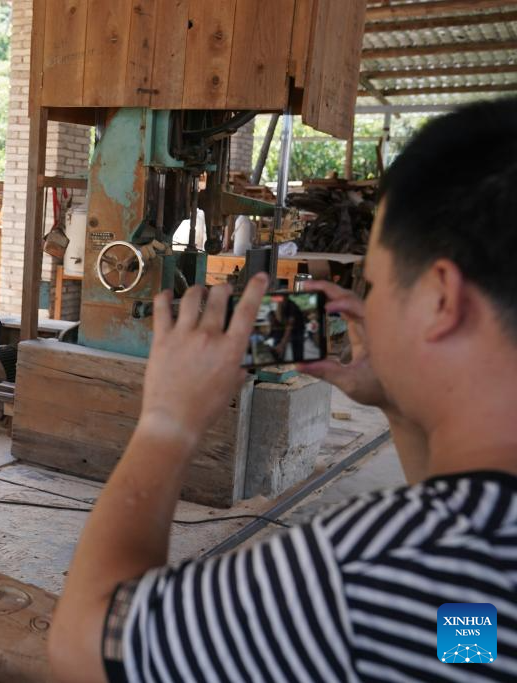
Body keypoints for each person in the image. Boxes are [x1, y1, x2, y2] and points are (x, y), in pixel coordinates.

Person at [49, 97, 517, 682]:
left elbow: (83, 646)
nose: (366, 305)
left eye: (373, 282)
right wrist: (400, 398)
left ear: (441, 299)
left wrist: (167, 423)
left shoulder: (358, 573)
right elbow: (458, 637)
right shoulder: (467, 572)